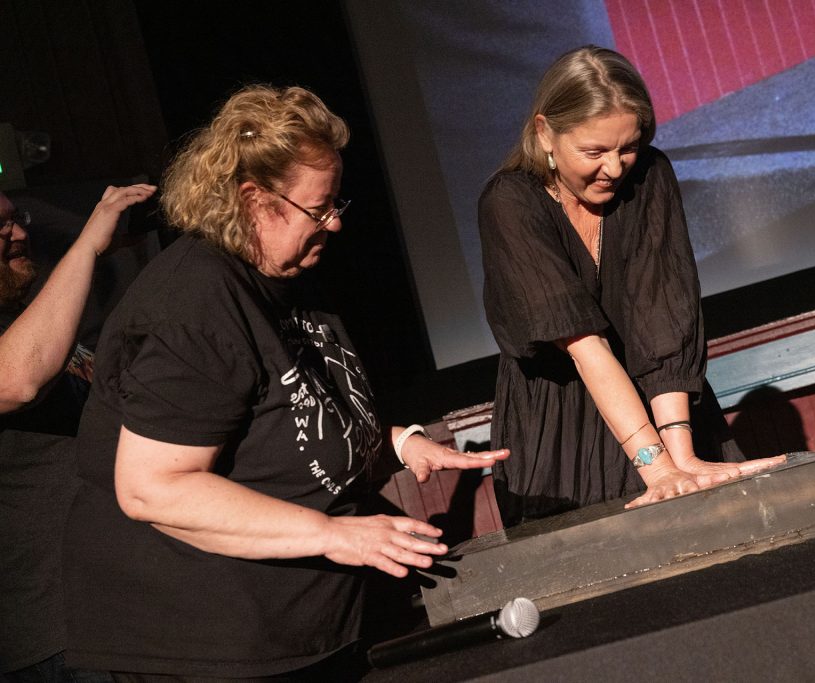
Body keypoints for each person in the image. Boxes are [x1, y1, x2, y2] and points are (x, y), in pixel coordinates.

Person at [61, 85, 508, 681]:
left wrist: (398, 443)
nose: (336, 222)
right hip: (202, 643)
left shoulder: (287, 278)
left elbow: (290, 419)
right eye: (319, 208)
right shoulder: (195, 301)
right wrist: (329, 533)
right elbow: (152, 488)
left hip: (306, 629)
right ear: (255, 201)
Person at [479, 46, 784, 527]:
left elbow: (665, 320)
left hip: (666, 406)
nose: (616, 169)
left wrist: (680, 457)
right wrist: (656, 466)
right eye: (594, 152)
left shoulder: (650, 176)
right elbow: (585, 347)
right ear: (545, 134)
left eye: (627, 147)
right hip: (561, 432)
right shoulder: (510, 203)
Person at [1, 184, 155, 681]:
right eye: (0, 227)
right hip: (58, 634)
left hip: (123, 606)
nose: (20, 234)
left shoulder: (27, 323)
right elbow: (18, 382)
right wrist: (86, 244)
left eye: (15, 217)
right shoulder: (26, 347)